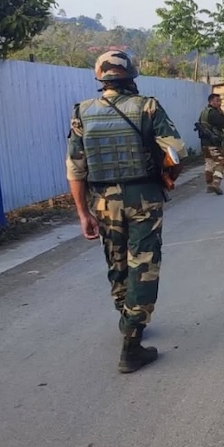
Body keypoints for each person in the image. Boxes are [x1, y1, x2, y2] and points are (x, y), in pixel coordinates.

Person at [65, 50, 186, 373]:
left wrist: (83, 213)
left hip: (103, 201)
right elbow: (176, 150)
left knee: (117, 260)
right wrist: (168, 176)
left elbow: (75, 169)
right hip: (143, 197)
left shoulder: (82, 112)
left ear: (100, 77)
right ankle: (132, 344)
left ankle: (127, 317)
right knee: (143, 263)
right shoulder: (148, 107)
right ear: (131, 75)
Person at [196, 93, 224, 195]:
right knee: (222, 162)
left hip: (204, 143)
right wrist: (222, 113)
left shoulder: (203, 112)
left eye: (220, 101)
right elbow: (223, 124)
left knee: (209, 163)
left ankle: (209, 185)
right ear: (211, 102)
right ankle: (216, 182)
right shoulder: (214, 113)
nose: (219, 103)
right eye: (217, 101)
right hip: (213, 143)